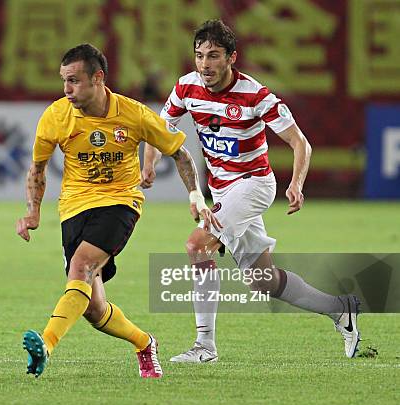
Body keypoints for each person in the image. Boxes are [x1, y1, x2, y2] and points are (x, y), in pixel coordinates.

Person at [142, 20, 361, 363]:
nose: (205, 64)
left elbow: (300, 144)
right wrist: (149, 164)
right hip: (223, 193)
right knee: (264, 280)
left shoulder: (256, 95)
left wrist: (297, 184)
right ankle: (340, 309)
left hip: (255, 185)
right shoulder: (186, 88)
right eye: (199, 56)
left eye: (213, 56)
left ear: (232, 58)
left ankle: (205, 346)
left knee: (197, 246)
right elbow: (159, 128)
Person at [16, 43, 220, 378]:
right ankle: (144, 343)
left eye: (74, 81)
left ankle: (46, 344)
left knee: (81, 266)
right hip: (73, 208)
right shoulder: (55, 116)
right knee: (93, 309)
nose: (66, 89)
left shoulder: (133, 114)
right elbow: (37, 169)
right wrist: (32, 212)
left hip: (120, 203)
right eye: (63, 81)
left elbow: (180, 154)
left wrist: (196, 196)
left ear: (98, 78)